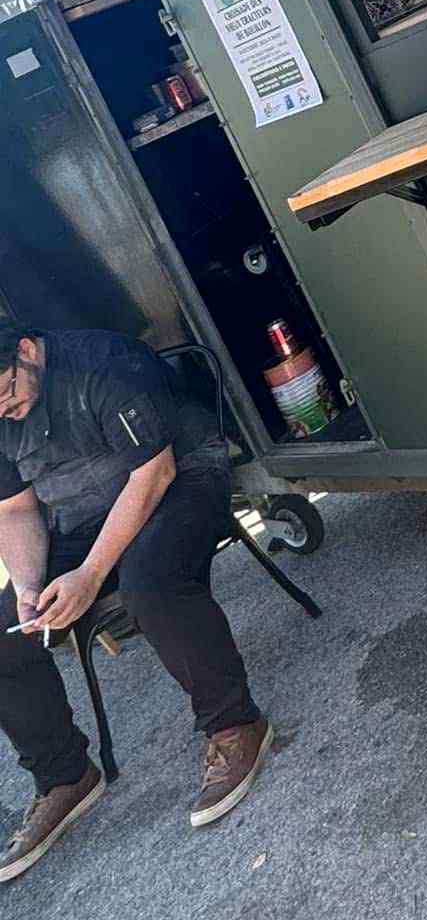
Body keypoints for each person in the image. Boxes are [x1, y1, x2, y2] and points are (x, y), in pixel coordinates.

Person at [0, 326, 271, 881]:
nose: (3, 409)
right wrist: (29, 585)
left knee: (149, 584)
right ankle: (64, 776)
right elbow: (17, 510)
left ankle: (236, 726)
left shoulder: (104, 363)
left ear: (26, 351)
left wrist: (91, 574)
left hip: (181, 481)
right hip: (80, 515)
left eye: (3, 390)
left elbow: (155, 473)